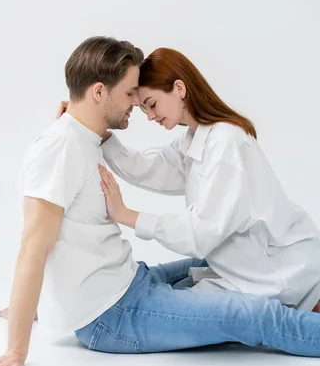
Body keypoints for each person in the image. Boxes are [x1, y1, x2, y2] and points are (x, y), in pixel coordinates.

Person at [0, 37, 320, 366]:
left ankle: (307, 299)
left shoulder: (87, 139)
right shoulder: (63, 147)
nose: (138, 108)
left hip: (136, 281)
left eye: (146, 100)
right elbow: (34, 244)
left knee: (206, 264)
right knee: (250, 315)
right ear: (99, 92)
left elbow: (190, 219)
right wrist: (18, 345)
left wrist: (124, 216)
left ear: (179, 89)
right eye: (131, 95)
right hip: (113, 311)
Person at [98, 47, 320, 313]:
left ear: (179, 88)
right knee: (158, 299)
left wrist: (126, 215)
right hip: (248, 274)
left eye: (152, 104)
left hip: (287, 277)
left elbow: (202, 233)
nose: (151, 117)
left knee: (161, 307)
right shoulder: (196, 139)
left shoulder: (226, 142)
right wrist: (102, 133)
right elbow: (149, 168)